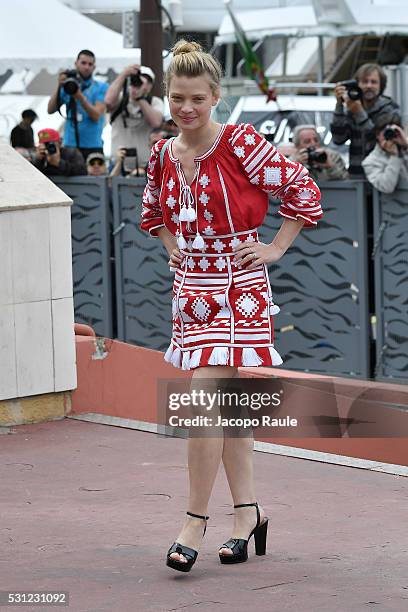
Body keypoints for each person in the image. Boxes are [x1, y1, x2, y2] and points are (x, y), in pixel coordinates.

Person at [140, 40, 322, 573]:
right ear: (167, 96)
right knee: (223, 406)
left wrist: (276, 247)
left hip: (239, 285)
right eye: (177, 98)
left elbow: (302, 190)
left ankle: (193, 519)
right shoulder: (161, 154)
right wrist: (175, 249)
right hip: (191, 292)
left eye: (197, 97)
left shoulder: (241, 143)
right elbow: (154, 210)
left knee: (204, 401)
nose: (186, 108)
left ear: (216, 96)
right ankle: (248, 513)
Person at [330, 63, 400, 175]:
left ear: (381, 86)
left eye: (373, 82)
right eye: (364, 82)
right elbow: (338, 139)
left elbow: (378, 139)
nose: (369, 86)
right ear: (357, 85)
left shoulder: (390, 108)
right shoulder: (352, 107)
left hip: (381, 175)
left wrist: (359, 112)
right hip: (357, 174)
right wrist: (339, 105)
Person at [47, 50, 108, 161]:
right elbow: (50, 109)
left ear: (94, 67)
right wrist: (59, 86)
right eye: (83, 63)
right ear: (76, 64)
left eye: (90, 64)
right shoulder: (67, 85)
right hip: (70, 144)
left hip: (93, 145)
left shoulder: (101, 87)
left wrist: (79, 97)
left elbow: (96, 116)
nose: (86, 67)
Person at [105, 64, 164, 173]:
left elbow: (156, 122)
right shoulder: (120, 99)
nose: (138, 85)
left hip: (145, 167)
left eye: (146, 82)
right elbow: (108, 102)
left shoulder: (155, 102)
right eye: (135, 81)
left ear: (150, 86)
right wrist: (123, 75)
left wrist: (140, 98)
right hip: (118, 167)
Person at [362, 116, 408, 193]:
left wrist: (406, 146)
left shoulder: (404, 150)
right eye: (386, 132)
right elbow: (386, 187)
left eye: (394, 133)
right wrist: (394, 157)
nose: (390, 136)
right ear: (377, 135)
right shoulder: (370, 162)